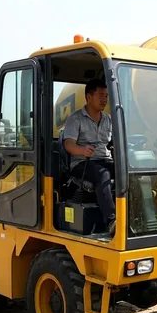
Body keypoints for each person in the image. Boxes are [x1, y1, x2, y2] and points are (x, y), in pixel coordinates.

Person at [60, 79, 115, 234]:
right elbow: (68, 144)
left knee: (128, 171)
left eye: (106, 96)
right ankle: (112, 220)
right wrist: (82, 150)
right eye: (100, 96)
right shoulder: (75, 119)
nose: (104, 99)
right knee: (102, 174)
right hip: (82, 163)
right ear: (88, 97)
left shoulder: (109, 120)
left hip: (104, 159)